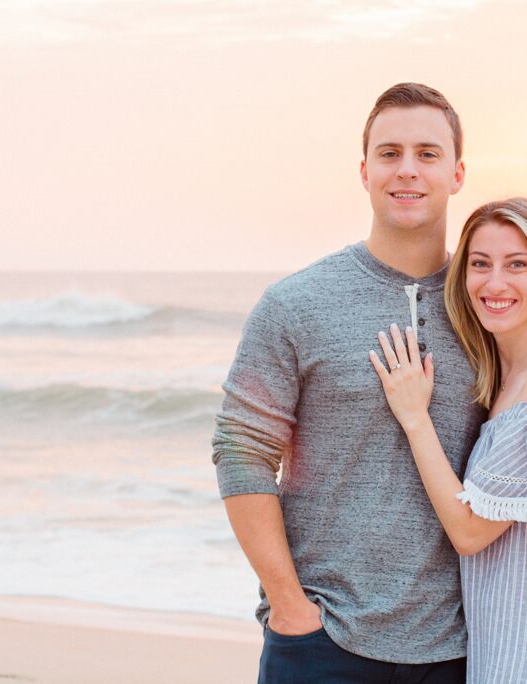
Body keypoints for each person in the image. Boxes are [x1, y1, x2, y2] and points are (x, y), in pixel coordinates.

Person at [211, 83, 486, 683]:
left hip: (462, 648)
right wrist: (290, 607)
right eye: (389, 154)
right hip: (321, 641)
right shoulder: (295, 304)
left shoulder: (488, 308)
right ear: (364, 171)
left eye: (427, 153)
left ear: (458, 173)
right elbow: (240, 451)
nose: (406, 170)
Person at [370, 197, 527, 683]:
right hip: (516, 645)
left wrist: (415, 417)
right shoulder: (512, 376)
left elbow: (468, 532)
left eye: (517, 265)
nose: (494, 283)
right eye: (480, 264)